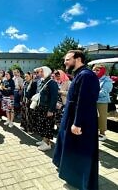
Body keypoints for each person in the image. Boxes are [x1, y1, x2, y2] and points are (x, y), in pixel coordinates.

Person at [53, 50, 100, 190]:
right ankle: (74, 179)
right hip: (72, 119)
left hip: (80, 123)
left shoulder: (86, 75)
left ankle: (83, 182)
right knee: (72, 150)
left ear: (78, 59)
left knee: (81, 152)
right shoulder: (79, 74)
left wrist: (77, 123)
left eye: (68, 59)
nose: (65, 62)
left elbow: (84, 101)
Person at [34, 66, 58, 151]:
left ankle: (47, 144)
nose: (39, 73)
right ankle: (44, 140)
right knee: (43, 125)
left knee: (47, 125)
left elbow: (54, 97)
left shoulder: (52, 83)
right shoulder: (43, 81)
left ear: (46, 72)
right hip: (42, 107)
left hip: (47, 108)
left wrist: (51, 110)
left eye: (41, 71)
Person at [92, 64, 113, 141]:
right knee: (93, 117)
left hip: (102, 101)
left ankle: (102, 133)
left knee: (102, 117)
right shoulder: (93, 79)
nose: (95, 72)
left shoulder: (107, 80)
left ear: (102, 71)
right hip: (93, 100)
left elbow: (104, 92)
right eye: (94, 70)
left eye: (97, 70)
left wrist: (91, 94)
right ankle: (95, 131)